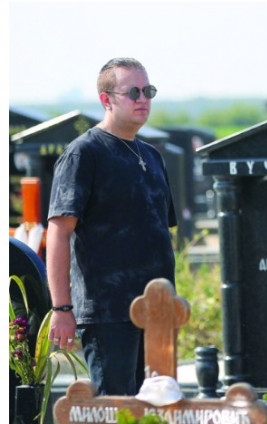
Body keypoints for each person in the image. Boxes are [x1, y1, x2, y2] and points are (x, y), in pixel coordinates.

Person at [46, 58, 176, 395]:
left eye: (148, 91)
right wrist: (61, 308)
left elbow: (159, 232)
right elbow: (59, 232)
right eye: (133, 92)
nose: (142, 99)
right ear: (106, 99)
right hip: (109, 313)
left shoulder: (152, 156)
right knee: (115, 410)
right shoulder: (84, 154)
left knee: (157, 408)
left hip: (157, 311)